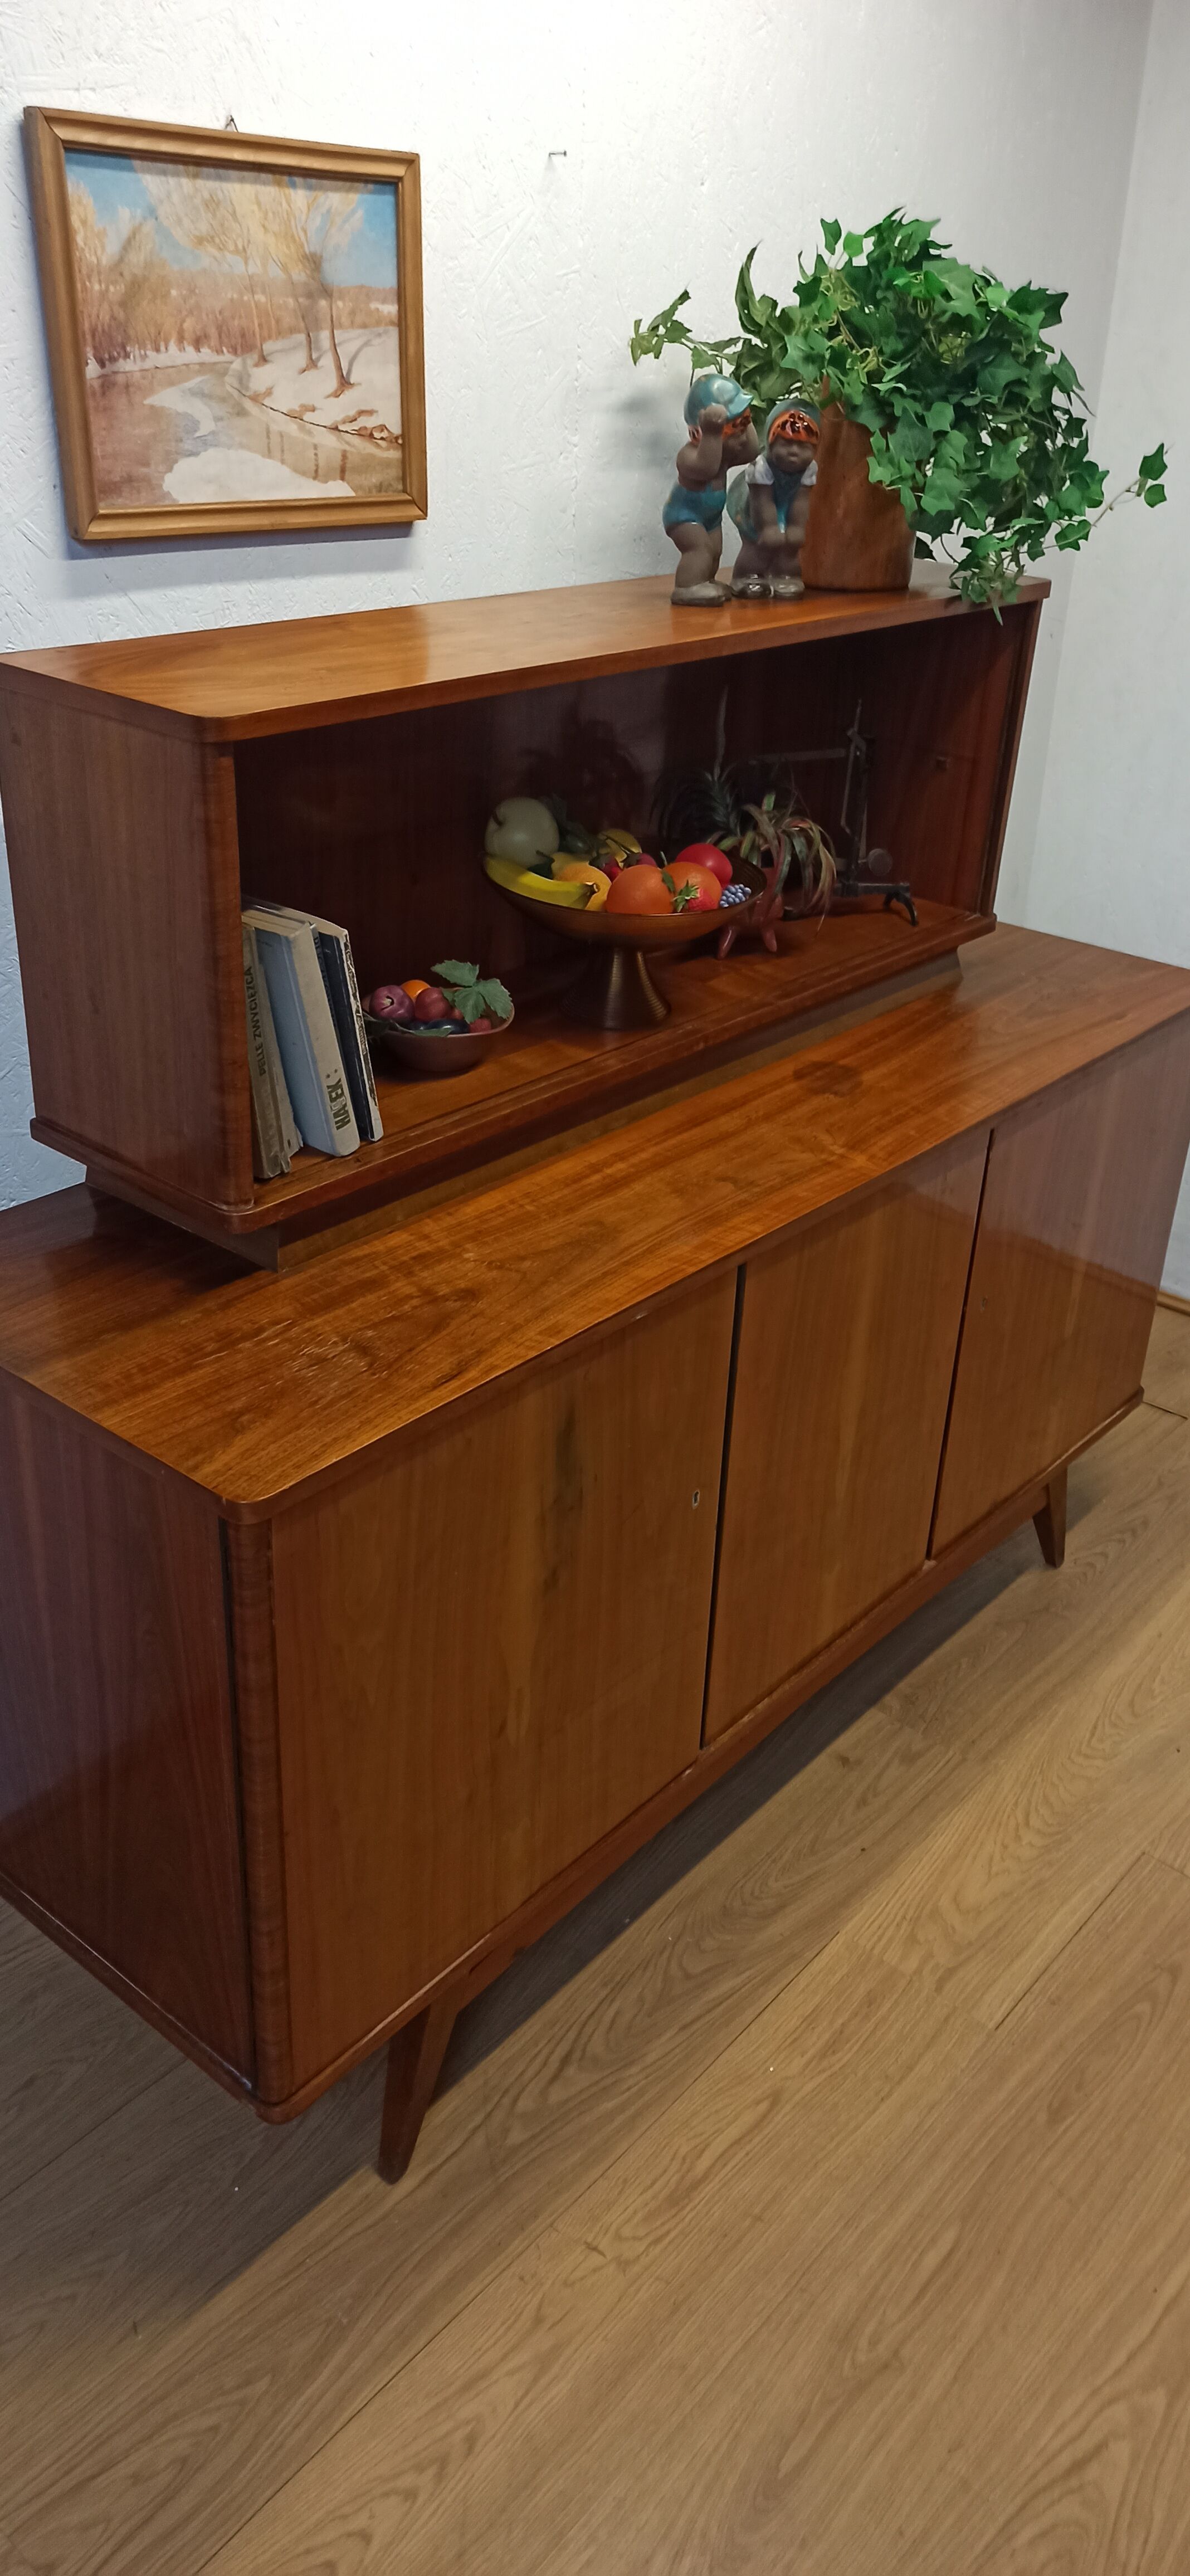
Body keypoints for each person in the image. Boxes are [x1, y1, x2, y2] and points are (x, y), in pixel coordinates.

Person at [662, 374, 759, 606]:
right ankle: (688, 586)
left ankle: (706, 581)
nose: (741, 436)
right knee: (701, 550)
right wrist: (713, 435)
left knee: (715, 551)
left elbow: (751, 452)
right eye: (734, 428)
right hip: (684, 517)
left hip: (710, 517)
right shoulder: (688, 456)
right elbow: (707, 468)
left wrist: (747, 419)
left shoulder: (724, 456)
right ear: (701, 431)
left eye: (743, 425)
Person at [727, 399, 821, 599]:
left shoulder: (809, 469)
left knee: (790, 545)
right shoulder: (761, 468)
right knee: (758, 544)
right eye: (786, 443)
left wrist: (796, 527)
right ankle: (747, 576)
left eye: (803, 446)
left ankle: (786, 576)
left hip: (787, 505)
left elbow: (802, 500)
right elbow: (762, 500)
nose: (794, 451)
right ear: (771, 443)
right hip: (754, 506)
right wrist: (768, 527)